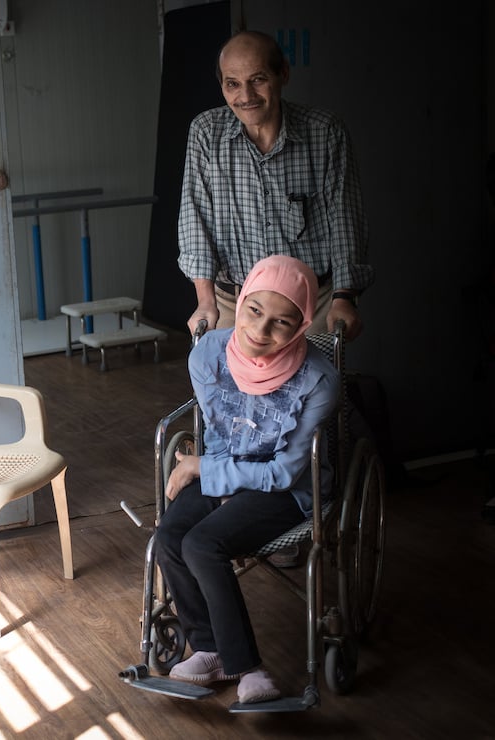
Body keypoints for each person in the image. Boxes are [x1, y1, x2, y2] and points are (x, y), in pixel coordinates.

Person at [155, 254, 341, 704]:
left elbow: (282, 472)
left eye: (281, 323)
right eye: (255, 311)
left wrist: (206, 471)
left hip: (289, 489)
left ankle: (246, 668)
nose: (260, 332)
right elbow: (219, 433)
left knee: (202, 543)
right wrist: (220, 479)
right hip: (226, 463)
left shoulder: (319, 380)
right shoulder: (208, 356)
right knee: (169, 537)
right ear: (240, 302)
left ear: (301, 326)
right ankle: (209, 648)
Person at [177, 29, 373, 342]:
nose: (246, 96)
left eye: (258, 79)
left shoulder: (324, 131)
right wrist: (205, 302)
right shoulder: (206, 133)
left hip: (311, 304)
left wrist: (343, 299)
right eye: (233, 84)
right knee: (234, 391)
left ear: (283, 74)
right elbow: (195, 218)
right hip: (235, 303)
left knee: (314, 390)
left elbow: (345, 220)